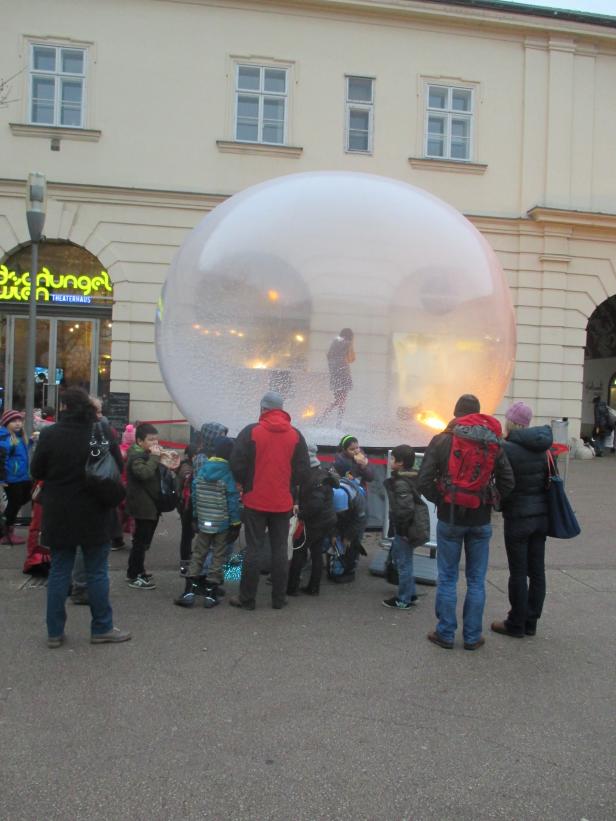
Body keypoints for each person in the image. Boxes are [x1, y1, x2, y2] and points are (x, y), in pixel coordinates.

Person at [30, 387, 130, 647]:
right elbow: (116, 467)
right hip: (95, 511)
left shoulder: (50, 434)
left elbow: (37, 469)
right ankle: (102, 628)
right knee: (97, 571)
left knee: (59, 571)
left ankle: (54, 632)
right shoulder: (100, 433)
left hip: (59, 511)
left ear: (64, 407)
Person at [418, 394, 514, 651]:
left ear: (456, 413)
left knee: (448, 577)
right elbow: (508, 481)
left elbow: (423, 480)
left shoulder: (442, 439)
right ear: (478, 413)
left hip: (450, 517)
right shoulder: (492, 441)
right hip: (480, 518)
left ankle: (445, 633)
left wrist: (442, 499)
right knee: (476, 579)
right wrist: (491, 501)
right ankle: (472, 637)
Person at [229, 391, 310, 610]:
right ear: (281, 410)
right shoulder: (295, 435)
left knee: (253, 549)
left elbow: (236, 463)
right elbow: (303, 470)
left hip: (255, 500)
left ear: (263, 409)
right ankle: (278, 599)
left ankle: (247, 599)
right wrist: (288, 485)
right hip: (282, 502)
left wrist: (245, 483)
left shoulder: (251, 431)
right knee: (280, 550)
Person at [491, 402, 552, 639]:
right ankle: (531, 622)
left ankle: (515, 623)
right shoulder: (544, 447)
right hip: (541, 517)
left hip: (518, 518)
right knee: (537, 572)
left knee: (518, 572)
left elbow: (503, 483)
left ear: (510, 422)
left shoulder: (506, 448)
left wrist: (499, 503)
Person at [174, 436, 240, 608]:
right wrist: (235, 523)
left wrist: (196, 517)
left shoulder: (203, 469)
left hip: (204, 521)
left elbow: (195, 493)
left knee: (198, 554)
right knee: (218, 556)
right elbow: (232, 500)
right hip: (222, 523)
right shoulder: (228, 473)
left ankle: (188, 592)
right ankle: (211, 595)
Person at [287, 442, 338, 596]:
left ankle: (292, 588)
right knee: (316, 552)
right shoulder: (322, 473)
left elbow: (316, 504)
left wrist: (301, 514)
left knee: (299, 551)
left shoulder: (312, 478)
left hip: (315, 522)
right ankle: (314, 587)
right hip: (326, 520)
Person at [382, 444, 423, 611]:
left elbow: (405, 510)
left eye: (393, 459)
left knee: (403, 564)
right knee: (407, 561)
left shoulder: (401, 483)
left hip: (404, 530)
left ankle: (403, 599)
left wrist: (403, 530)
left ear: (400, 462)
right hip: (408, 528)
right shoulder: (411, 478)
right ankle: (411, 593)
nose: (390, 461)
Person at [125, 422, 163, 589]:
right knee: (140, 542)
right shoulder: (137, 456)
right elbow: (144, 473)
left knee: (143, 540)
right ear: (140, 441)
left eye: (156, 439)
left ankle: (138, 570)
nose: (155, 443)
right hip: (142, 505)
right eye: (150, 440)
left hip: (148, 504)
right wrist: (155, 457)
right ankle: (134, 575)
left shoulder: (145, 454)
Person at [0, 410, 32, 545]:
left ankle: (7, 528)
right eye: (14, 421)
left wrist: (31, 441)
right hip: (12, 478)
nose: (18, 423)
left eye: (19, 421)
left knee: (24, 498)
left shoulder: (18, 437)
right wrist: (2, 479)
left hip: (21, 477)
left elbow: (20, 454)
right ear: (6, 423)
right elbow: (1, 459)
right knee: (14, 505)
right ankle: (5, 533)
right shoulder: (5, 438)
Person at [319, 328, 355, 426]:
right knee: (341, 400)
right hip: (343, 373)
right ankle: (337, 422)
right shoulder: (348, 343)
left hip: (335, 375)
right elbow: (352, 358)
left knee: (338, 400)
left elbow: (328, 356)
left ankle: (324, 418)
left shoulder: (335, 342)